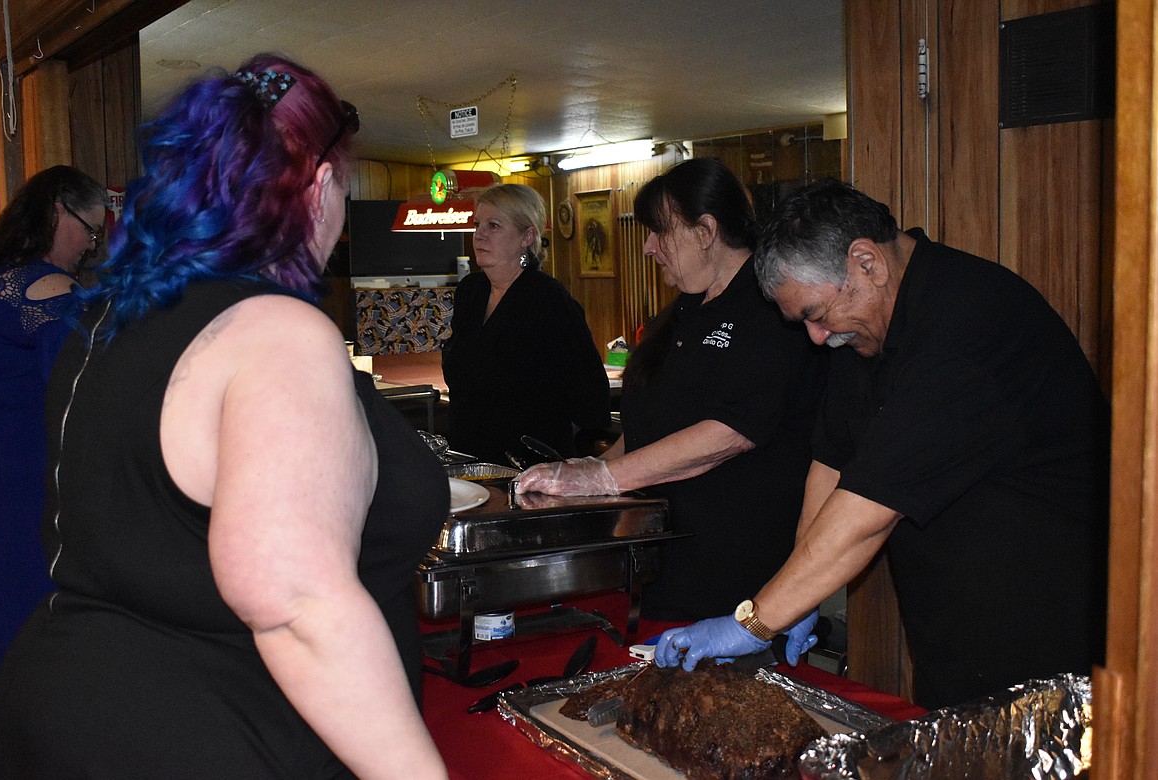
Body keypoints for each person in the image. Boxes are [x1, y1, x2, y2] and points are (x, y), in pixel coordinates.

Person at [0, 54, 448, 778]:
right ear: (321, 186)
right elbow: (296, 604)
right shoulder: (275, 331)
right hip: (214, 732)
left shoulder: (107, 316)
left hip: (58, 705)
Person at [653, 178, 1110, 710]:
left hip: (1054, 640)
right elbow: (830, 463)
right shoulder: (862, 327)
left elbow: (868, 512)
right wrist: (799, 592)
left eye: (815, 316)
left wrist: (755, 621)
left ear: (867, 263)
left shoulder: (967, 322)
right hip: (953, 637)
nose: (817, 339)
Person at [516, 158, 826, 622]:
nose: (647, 247)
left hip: (734, 564)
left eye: (659, 231)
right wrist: (587, 473)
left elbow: (731, 432)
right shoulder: (686, 308)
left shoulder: (766, 306)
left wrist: (607, 480)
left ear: (705, 231)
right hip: (663, 555)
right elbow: (650, 427)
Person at [0, 165, 105, 684]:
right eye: (91, 229)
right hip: (27, 484)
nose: (91, 245)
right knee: (27, 628)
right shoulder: (50, 290)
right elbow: (80, 398)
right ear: (58, 208)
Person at [442, 183, 610, 466]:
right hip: (468, 458)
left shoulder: (549, 300)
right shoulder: (470, 291)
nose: (479, 234)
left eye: (494, 226)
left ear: (527, 236)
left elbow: (592, 400)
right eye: (477, 224)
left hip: (530, 466)